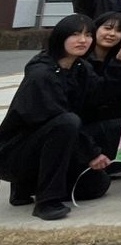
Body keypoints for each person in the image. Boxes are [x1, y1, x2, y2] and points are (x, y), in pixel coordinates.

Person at [0, 15, 113, 220]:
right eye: (75, 34)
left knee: (97, 185)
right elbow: (57, 117)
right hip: (15, 153)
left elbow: (103, 96)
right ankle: (46, 201)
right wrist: (91, 153)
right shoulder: (41, 74)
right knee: (67, 121)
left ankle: (27, 185)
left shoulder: (80, 68)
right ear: (60, 37)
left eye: (88, 34)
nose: (83, 40)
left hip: (55, 146)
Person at [82, 12, 121, 175]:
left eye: (118, 31)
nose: (112, 34)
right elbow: (98, 95)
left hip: (111, 120)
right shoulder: (80, 60)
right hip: (85, 126)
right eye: (107, 28)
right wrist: (118, 64)